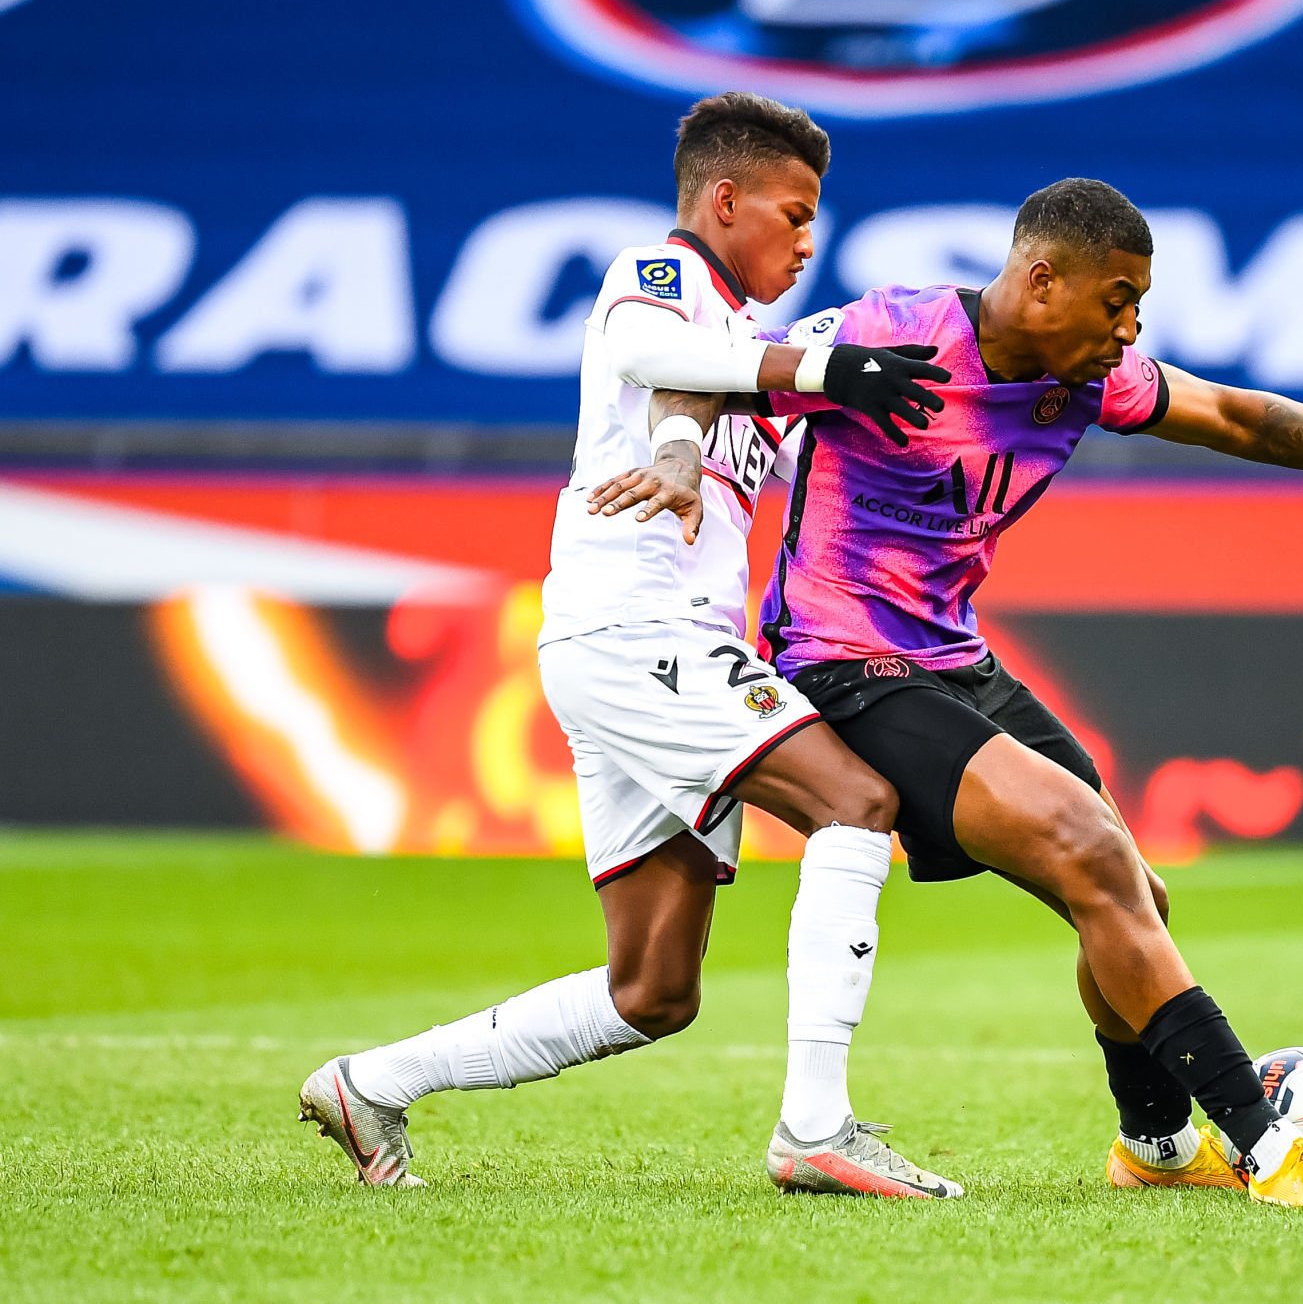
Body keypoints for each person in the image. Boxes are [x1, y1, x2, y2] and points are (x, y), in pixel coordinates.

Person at [591, 177, 1303, 1210]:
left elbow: (1235, 414)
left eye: (1137, 306)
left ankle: (1155, 1143)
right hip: (841, 661)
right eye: (1116, 301)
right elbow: (711, 372)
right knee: (1089, 848)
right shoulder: (892, 332)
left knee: (1133, 892)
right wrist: (678, 458)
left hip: (952, 661)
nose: (1130, 329)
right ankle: (1269, 1147)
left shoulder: (1090, 378)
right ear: (1041, 281)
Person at [297, 92, 961, 1199]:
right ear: (725, 199)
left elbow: (697, 399)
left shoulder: (733, 343)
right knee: (856, 803)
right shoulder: (661, 273)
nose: (809, 240)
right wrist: (817, 372)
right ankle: (817, 1126)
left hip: (636, 647)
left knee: (652, 989)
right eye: (795, 213)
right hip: (638, 631)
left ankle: (369, 1084)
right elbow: (649, 348)